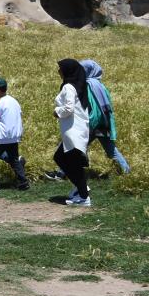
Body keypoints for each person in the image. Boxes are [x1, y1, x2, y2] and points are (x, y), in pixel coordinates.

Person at [53, 59, 93, 205]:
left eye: (60, 68)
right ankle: (81, 188)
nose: (58, 71)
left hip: (72, 131)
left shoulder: (69, 87)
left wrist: (57, 111)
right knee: (65, 159)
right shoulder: (79, 85)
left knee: (67, 161)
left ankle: (83, 196)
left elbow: (68, 109)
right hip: (78, 130)